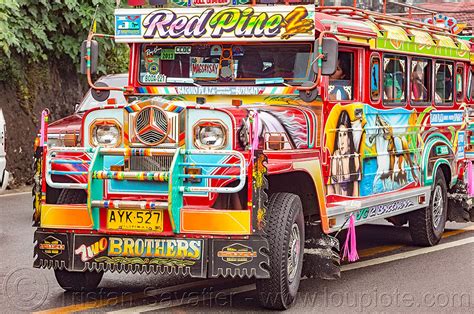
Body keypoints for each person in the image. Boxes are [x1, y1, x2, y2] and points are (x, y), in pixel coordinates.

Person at [327, 110, 360, 197]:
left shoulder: (355, 157)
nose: (341, 141)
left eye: (344, 134)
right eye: (340, 135)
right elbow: (330, 186)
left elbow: (356, 191)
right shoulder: (334, 157)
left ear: (349, 138)